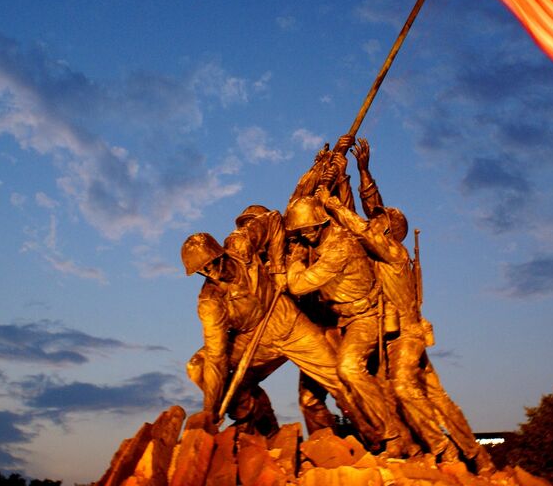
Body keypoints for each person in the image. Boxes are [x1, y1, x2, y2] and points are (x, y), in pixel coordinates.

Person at [342, 138, 495, 471]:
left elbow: (359, 225)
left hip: (407, 335)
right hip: (394, 335)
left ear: (390, 231)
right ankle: (476, 454)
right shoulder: (382, 248)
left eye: (380, 221)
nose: (374, 220)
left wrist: (332, 203)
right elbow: (368, 208)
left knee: (404, 387)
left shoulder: (393, 252)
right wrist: (360, 171)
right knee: (435, 396)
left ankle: (443, 448)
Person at [181, 209, 362, 435]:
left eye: (211, 263)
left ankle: (373, 434)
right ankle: (262, 427)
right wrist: (211, 409)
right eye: (203, 269)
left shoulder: (286, 247)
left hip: (296, 325)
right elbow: (216, 355)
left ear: (220, 253)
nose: (211, 271)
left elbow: (274, 219)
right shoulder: (211, 301)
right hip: (254, 340)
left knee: (338, 381)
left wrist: (277, 268)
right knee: (199, 366)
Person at [284, 194, 412, 457]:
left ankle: (395, 435)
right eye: (299, 232)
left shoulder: (339, 247)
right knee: (310, 391)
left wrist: (295, 258)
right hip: (335, 319)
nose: (305, 236)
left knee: (349, 368)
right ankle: (328, 448)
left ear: (321, 224)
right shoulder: (324, 240)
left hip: (364, 318)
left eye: (307, 230)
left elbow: (297, 284)